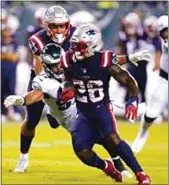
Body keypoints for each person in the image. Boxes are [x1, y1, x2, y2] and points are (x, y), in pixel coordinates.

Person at [4, 42, 151, 180]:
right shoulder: (42, 80)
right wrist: (22, 100)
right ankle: (108, 166)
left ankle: (127, 169)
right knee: (98, 142)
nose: (58, 68)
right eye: (53, 66)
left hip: (83, 110)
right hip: (69, 118)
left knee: (109, 138)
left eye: (58, 64)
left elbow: (101, 61)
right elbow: (36, 94)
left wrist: (129, 58)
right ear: (46, 66)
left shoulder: (70, 64)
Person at [60, 24, 151, 184]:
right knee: (81, 150)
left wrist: (133, 99)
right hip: (83, 113)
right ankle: (107, 167)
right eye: (74, 46)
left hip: (101, 109)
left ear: (93, 45)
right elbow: (68, 79)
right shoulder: (68, 60)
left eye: (81, 47)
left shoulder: (104, 60)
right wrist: (68, 88)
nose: (76, 50)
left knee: (112, 138)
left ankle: (140, 173)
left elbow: (128, 79)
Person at [12, 5, 77, 173]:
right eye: (54, 25)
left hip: (68, 78)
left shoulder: (76, 34)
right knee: (31, 120)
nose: (58, 29)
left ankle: (52, 111)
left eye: (61, 25)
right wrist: (47, 88)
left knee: (67, 122)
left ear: (67, 24)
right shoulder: (37, 39)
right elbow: (40, 68)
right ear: (47, 25)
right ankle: (23, 157)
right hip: (42, 77)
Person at [131, 15, 168, 153]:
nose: (167, 34)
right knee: (151, 113)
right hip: (165, 80)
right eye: (164, 31)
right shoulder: (164, 43)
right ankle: (142, 133)